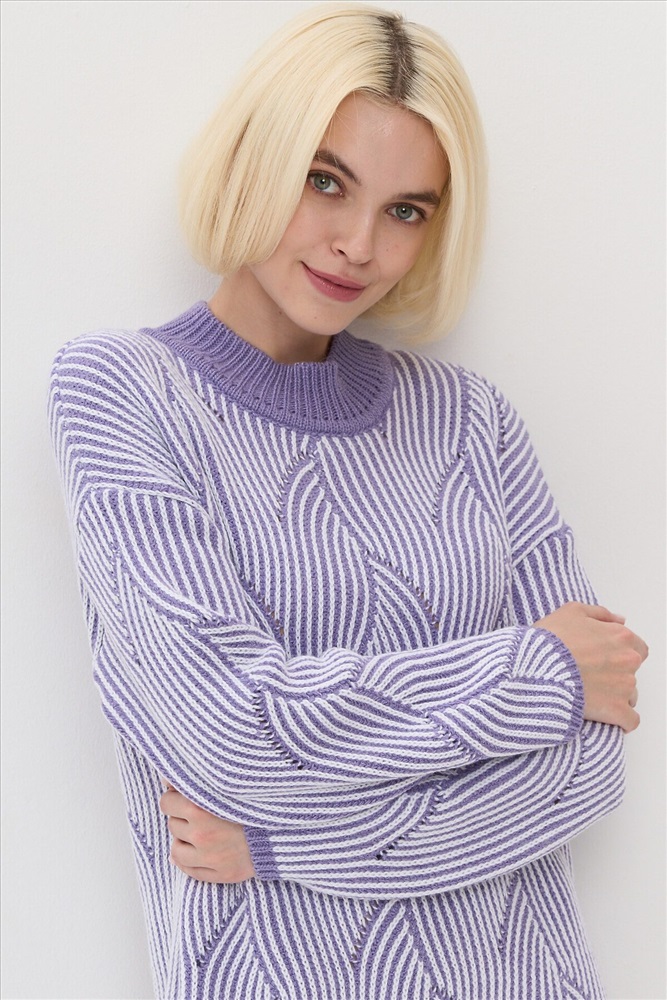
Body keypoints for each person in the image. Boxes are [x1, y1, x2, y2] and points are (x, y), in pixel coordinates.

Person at [49, 4, 647, 998]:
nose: (357, 245)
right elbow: (234, 731)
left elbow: (586, 766)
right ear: (256, 158)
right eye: (324, 181)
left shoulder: (470, 420)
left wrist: (282, 845)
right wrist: (539, 668)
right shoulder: (120, 393)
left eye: (406, 210)